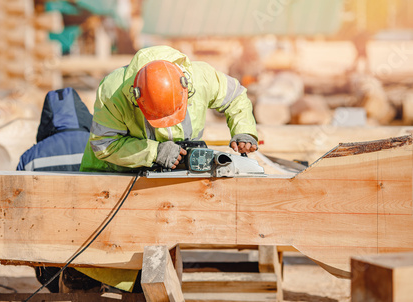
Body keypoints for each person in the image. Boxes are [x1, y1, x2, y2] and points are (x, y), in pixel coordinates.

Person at [80, 45, 258, 173]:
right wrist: (153, 152)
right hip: (113, 176)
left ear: (186, 88)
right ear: (136, 97)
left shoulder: (202, 77)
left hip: (181, 175)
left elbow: (236, 96)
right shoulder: (113, 91)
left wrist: (245, 131)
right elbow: (105, 144)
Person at [17, 87, 95, 292]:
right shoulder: (103, 148)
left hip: (49, 262)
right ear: (83, 113)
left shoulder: (30, 158)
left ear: (47, 118)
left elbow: (17, 209)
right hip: (101, 255)